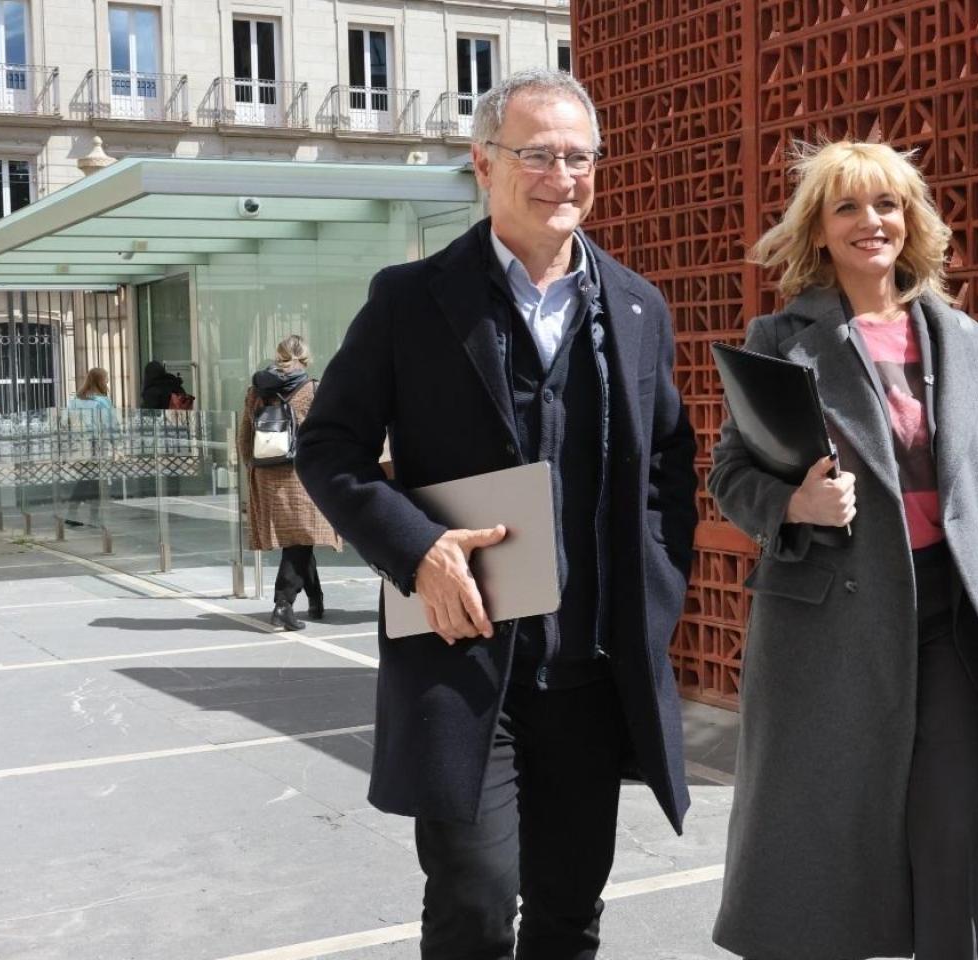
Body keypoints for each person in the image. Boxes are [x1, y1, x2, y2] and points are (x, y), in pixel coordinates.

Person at [295, 68, 698, 960]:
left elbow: (671, 460)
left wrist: (657, 593)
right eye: (539, 155)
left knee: (568, 911)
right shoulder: (411, 299)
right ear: (483, 164)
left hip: (591, 674)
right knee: (476, 905)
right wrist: (417, 551)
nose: (565, 175)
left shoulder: (634, 305)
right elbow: (329, 449)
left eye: (581, 156)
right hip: (464, 665)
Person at [708, 140, 978, 960]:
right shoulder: (779, 336)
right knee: (828, 830)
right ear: (819, 231)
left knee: (948, 827)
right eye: (848, 207)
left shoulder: (961, 338)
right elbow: (729, 472)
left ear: (912, 220)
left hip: (955, 613)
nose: (873, 223)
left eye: (888, 204)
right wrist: (794, 503)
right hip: (830, 620)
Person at [237, 335, 340, 631]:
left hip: (266, 473)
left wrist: (251, 466)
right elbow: (326, 434)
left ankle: (316, 598)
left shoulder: (256, 391)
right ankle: (283, 605)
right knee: (300, 538)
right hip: (301, 473)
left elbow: (245, 436)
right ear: (305, 357)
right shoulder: (313, 389)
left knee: (300, 538)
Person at [63, 368, 118, 528]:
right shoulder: (103, 401)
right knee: (95, 481)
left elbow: (67, 422)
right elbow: (110, 424)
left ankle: (76, 514)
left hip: (80, 445)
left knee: (87, 480)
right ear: (100, 381)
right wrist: (116, 444)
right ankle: (90, 516)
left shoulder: (75, 400)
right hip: (97, 445)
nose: (107, 382)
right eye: (106, 379)